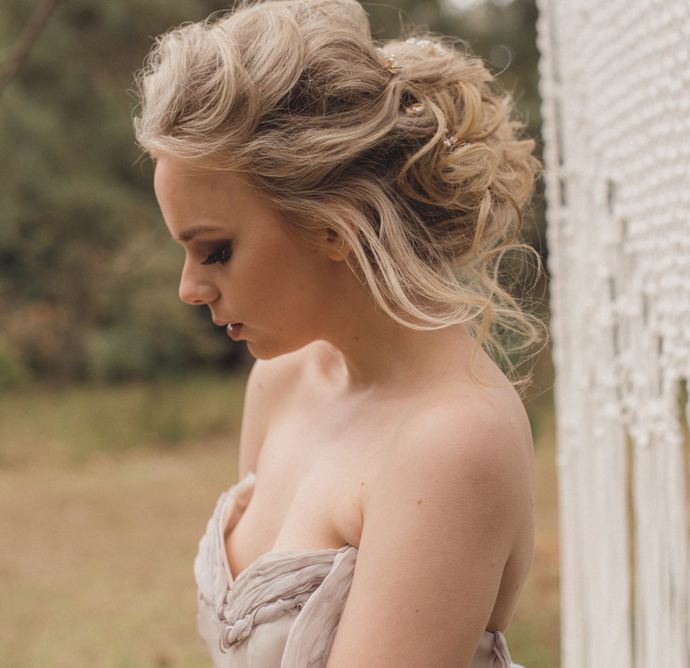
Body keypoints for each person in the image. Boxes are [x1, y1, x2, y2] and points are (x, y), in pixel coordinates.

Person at [134, 0, 545, 665]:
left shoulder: (452, 442)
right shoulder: (282, 381)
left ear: (332, 223)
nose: (189, 289)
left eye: (214, 251)